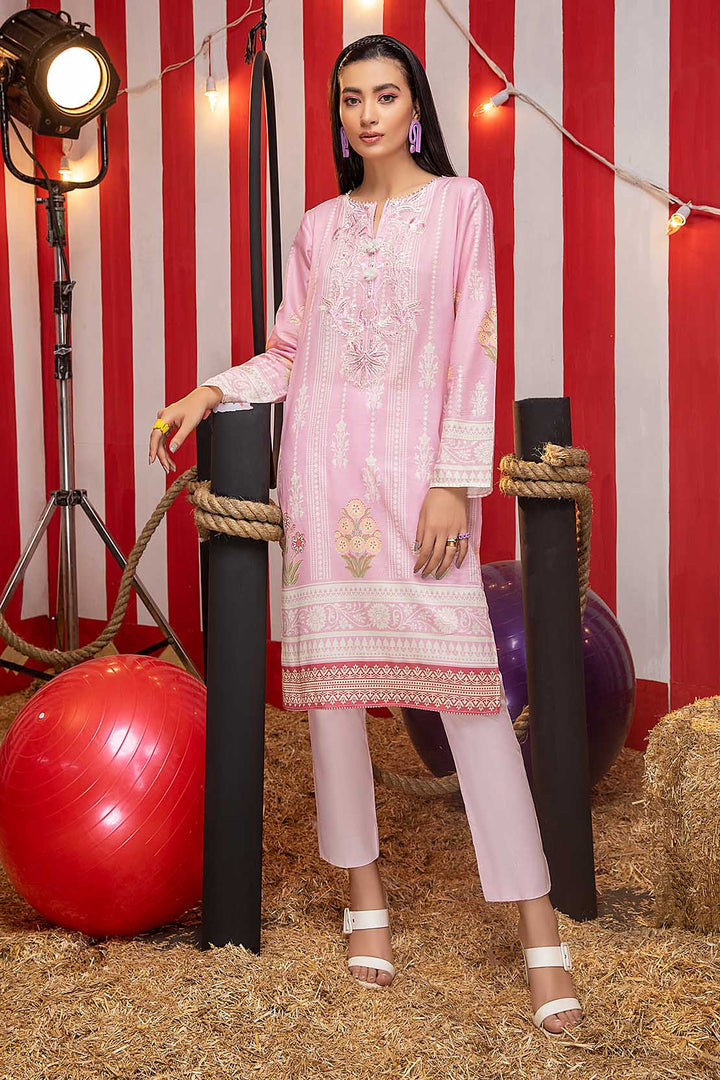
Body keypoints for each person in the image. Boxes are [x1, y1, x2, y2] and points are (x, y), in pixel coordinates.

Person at [148, 34, 584, 1035]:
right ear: (339, 116)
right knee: (336, 705)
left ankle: (539, 928)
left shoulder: (461, 206)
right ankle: (365, 898)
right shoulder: (318, 228)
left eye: (385, 96)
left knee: (470, 697)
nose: (367, 114)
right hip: (325, 478)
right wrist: (212, 389)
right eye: (351, 99)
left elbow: (475, 348)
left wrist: (453, 484)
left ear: (415, 107)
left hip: (422, 484)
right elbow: (291, 353)